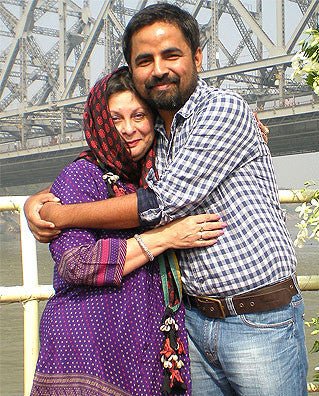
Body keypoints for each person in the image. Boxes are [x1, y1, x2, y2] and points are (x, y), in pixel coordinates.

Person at [25, 3, 307, 395]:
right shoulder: (159, 133)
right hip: (189, 325)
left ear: (197, 56)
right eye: (145, 60)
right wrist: (36, 202)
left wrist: (60, 213)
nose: (159, 69)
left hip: (256, 322)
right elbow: (99, 192)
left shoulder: (222, 110)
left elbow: (160, 201)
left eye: (171, 55)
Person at [29, 67, 225, 396]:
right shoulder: (81, 176)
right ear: (99, 123)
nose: (129, 129)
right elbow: (76, 264)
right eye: (116, 119)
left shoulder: (158, 178)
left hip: (143, 348)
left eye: (139, 115)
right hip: (86, 350)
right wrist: (165, 237)